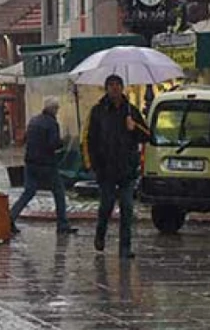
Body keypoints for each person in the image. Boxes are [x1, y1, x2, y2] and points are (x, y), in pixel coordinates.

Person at [84, 75, 150, 259]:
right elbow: (89, 138)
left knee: (127, 208)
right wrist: (92, 164)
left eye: (118, 85)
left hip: (126, 168)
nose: (114, 88)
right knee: (106, 205)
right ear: (106, 88)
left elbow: (147, 135)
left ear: (122, 88)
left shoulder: (131, 111)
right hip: (106, 169)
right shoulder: (98, 111)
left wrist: (134, 127)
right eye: (111, 85)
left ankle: (125, 248)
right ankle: (100, 233)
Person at [9, 97, 77, 236]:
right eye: (57, 108)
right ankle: (62, 224)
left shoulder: (33, 121)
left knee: (28, 192)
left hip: (30, 163)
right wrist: (63, 142)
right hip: (46, 164)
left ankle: (10, 217)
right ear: (53, 109)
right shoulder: (52, 123)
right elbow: (53, 144)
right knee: (59, 192)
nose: (57, 111)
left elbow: (25, 139)